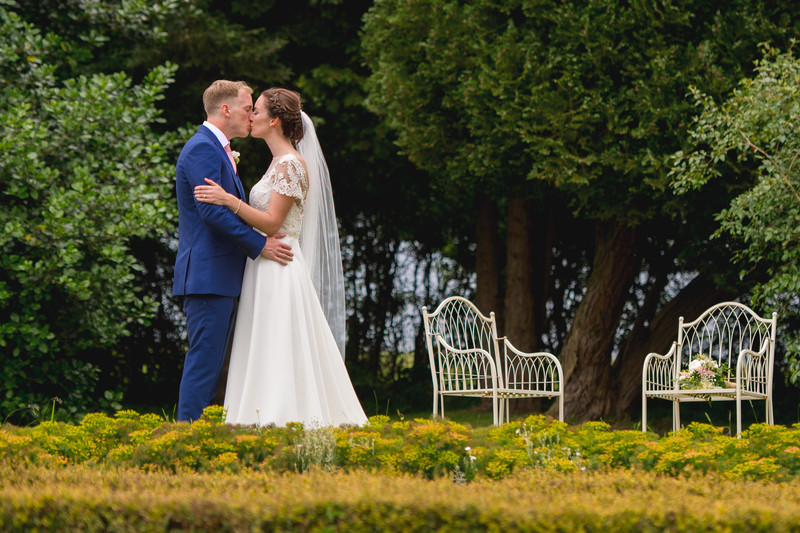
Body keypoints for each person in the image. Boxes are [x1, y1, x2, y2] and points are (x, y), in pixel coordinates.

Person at [194, 88, 367, 427]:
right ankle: (257, 417)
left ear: (273, 120)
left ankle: (282, 417)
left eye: (255, 111)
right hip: (265, 264)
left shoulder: (289, 165)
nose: (250, 116)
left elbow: (273, 222)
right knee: (263, 343)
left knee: (278, 343)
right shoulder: (278, 162)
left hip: (280, 265)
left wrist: (229, 201)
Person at [173, 80, 294, 422]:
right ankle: (185, 440)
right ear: (225, 110)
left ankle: (195, 435)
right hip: (209, 276)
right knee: (203, 364)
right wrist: (260, 245)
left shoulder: (216, 149)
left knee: (210, 365)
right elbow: (211, 212)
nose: (250, 114)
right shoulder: (203, 148)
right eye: (246, 107)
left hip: (220, 275)